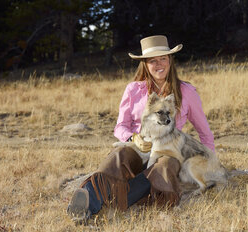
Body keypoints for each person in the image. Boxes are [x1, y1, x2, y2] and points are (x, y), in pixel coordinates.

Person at [67, 35, 215, 222]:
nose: (159, 64)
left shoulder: (186, 91)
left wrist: (211, 162)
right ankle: (86, 201)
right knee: (118, 156)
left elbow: (205, 132)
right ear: (145, 64)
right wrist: (131, 138)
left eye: (163, 58)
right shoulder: (133, 90)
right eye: (153, 60)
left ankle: (107, 202)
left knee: (164, 166)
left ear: (170, 60)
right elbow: (120, 126)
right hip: (139, 147)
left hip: (168, 151)